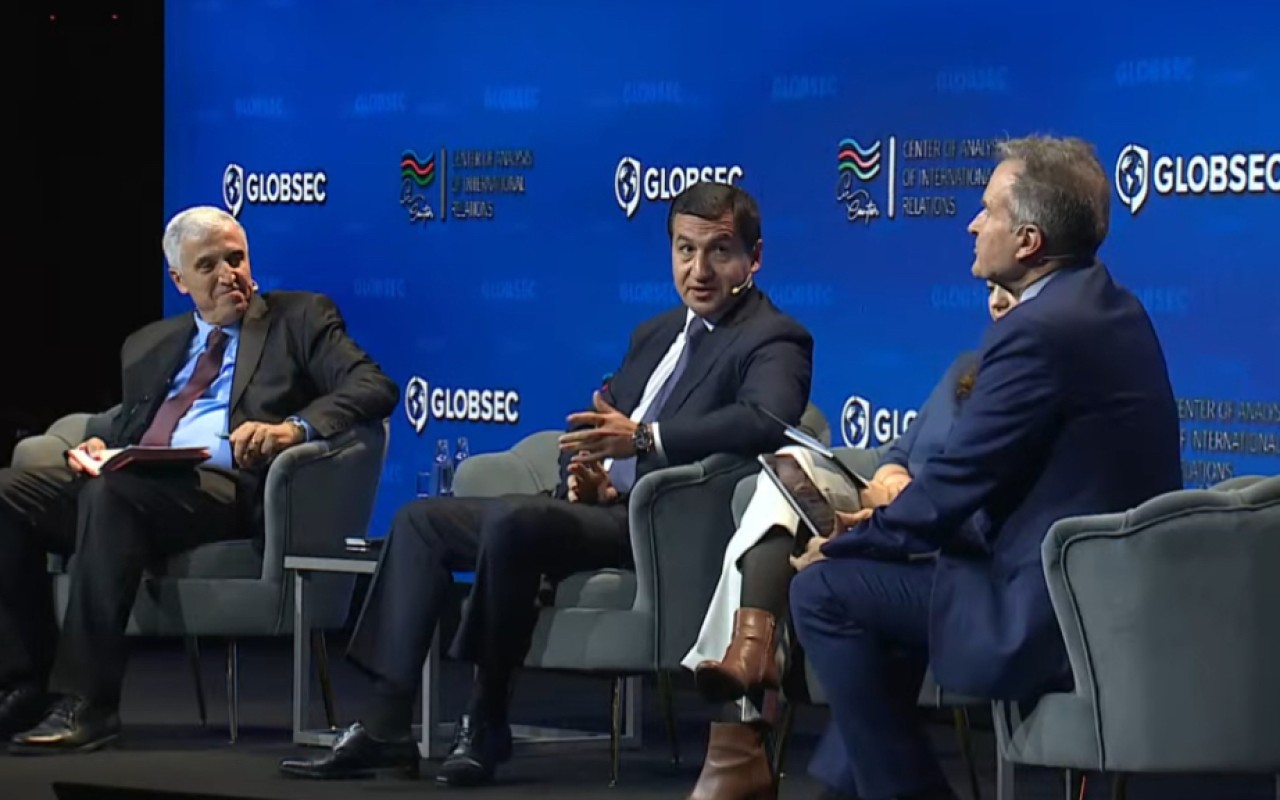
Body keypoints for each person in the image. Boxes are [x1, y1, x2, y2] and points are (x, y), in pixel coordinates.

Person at [280, 182, 815, 786]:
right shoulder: (656, 332)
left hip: (663, 526)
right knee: (420, 521)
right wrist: (583, 473)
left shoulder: (774, 336)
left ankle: (486, 718)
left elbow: (765, 420)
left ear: (754, 256)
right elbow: (599, 423)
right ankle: (385, 725)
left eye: (719, 251)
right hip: (595, 507)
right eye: (685, 250)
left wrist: (644, 441)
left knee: (516, 521)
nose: (699, 270)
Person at [786, 135, 1182, 800]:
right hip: (1101, 591)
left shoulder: (1037, 331)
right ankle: (840, 790)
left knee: (822, 591)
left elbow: (953, 485)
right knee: (886, 589)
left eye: (987, 211)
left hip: (1047, 607)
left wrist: (848, 541)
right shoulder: (1110, 305)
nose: (972, 224)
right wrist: (883, 533)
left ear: (1028, 241)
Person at [0, 206, 398, 754]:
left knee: (111, 495)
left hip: (222, 486)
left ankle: (87, 701)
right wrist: (101, 445)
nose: (228, 274)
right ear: (179, 280)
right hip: (135, 479)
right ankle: (22, 684)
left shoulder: (299, 318)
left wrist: (292, 427)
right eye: (207, 265)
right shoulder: (149, 343)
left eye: (236, 259)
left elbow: (374, 385)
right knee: (10, 493)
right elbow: (134, 422)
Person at [683, 283, 1018, 799]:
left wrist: (898, 508)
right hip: (889, 511)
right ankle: (753, 654)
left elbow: (972, 499)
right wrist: (892, 481)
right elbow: (897, 451)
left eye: (1010, 292)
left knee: (820, 585)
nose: (996, 302)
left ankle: (749, 680)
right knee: (786, 472)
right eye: (992, 290)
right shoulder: (965, 368)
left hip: (930, 538)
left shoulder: (1021, 387)